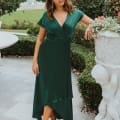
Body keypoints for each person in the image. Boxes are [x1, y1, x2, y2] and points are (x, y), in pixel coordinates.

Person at [32, 0, 93, 119]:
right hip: (46, 59)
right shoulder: (47, 16)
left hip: (62, 60)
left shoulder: (75, 13)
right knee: (50, 93)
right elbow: (39, 39)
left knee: (56, 91)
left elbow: (94, 22)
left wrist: (89, 27)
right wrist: (34, 61)